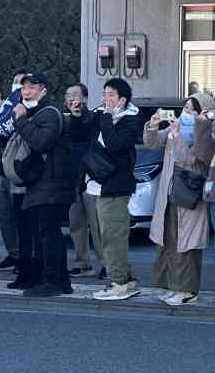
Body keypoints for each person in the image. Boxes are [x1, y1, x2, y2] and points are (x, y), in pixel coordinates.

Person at [144, 94, 215, 305]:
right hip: (169, 193)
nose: (187, 112)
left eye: (193, 110)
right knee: (169, 240)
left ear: (204, 113)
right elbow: (153, 144)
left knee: (187, 244)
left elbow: (193, 163)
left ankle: (187, 291)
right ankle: (171, 285)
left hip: (189, 195)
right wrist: (152, 126)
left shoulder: (205, 135)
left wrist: (177, 138)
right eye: (186, 107)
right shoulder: (176, 130)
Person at [11, 70, 74, 297]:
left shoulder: (49, 113)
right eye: (24, 88)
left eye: (32, 88)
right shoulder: (36, 112)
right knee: (44, 232)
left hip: (53, 184)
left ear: (44, 91)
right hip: (42, 183)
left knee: (49, 233)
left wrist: (21, 120)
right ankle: (56, 280)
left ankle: (55, 281)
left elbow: (41, 142)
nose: (26, 92)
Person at [81, 78, 140, 301]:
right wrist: (79, 114)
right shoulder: (100, 114)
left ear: (122, 100)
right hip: (95, 185)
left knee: (113, 237)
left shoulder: (130, 120)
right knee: (102, 237)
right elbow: (82, 133)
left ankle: (120, 283)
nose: (106, 99)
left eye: (111, 95)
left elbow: (115, 145)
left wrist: (106, 117)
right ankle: (127, 279)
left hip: (116, 187)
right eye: (104, 94)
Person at [65, 82, 105, 279]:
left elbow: (86, 135)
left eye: (75, 95)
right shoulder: (66, 121)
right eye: (68, 96)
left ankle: (106, 263)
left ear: (86, 98)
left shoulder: (94, 118)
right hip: (73, 179)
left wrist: (78, 116)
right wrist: (74, 117)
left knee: (97, 225)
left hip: (91, 178)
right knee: (76, 223)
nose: (72, 99)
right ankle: (82, 263)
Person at [0, 68, 27, 271]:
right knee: (5, 214)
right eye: (15, 81)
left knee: (20, 214)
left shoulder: (29, 108)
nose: (18, 85)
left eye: (21, 82)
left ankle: (24, 256)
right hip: (2, 169)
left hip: (19, 170)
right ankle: (13, 253)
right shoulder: (6, 106)